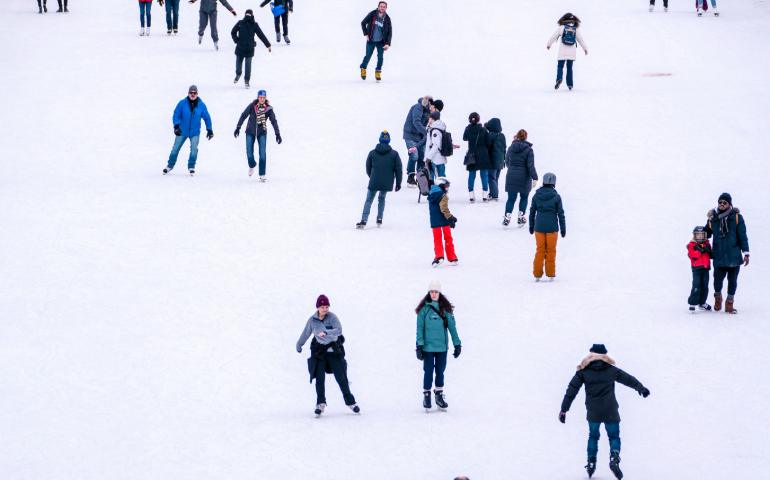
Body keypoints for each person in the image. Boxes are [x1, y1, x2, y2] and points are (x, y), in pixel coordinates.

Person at [559, 344, 650, 480]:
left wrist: (564, 409)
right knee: (614, 437)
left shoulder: (583, 372)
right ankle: (614, 457)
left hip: (593, 412)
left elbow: (571, 390)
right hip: (610, 410)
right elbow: (628, 379)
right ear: (605, 356)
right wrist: (641, 388)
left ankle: (591, 462)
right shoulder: (611, 370)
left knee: (593, 436)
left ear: (591, 355)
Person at [296, 295, 360, 416]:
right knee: (319, 379)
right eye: (322, 307)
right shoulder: (312, 321)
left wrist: (326, 332)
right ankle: (320, 404)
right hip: (319, 353)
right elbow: (306, 333)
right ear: (318, 307)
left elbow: (339, 330)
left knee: (341, 378)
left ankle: (351, 403)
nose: (325, 309)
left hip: (333, 352)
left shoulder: (332, 317)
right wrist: (299, 344)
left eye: (327, 306)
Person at [415, 280, 461, 410]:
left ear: (439, 293)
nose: (434, 294)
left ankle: (439, 394)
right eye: (431, 292)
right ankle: (427, 395)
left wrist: (457, 344)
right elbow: (420, 329)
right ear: (428, 293)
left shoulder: (445, 309)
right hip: (428, 348)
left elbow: (452, 328)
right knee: (428, 372)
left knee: (440, 372)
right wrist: (419, 346)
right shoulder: (423, 310)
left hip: (442, 348)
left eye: (436, 292)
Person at [705, 193, 749, 313]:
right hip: (719, 255)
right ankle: (718, 298)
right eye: (720, 202)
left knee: (733, 281)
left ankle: (729, 302)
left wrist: (746, 253)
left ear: (729, 204)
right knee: (717, 281)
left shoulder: (737, 217)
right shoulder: (713, 218)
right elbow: (706, 234)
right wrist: (697, 237)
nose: (722, 204)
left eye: (725, 202)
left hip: (734, 256)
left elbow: (742, 236)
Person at [356, 130, 403, 229]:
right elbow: (398, 169)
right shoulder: (394, 154)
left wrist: (372, 176)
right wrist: (398, 183)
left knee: (369, 200)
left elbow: (368, 168)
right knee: (381, 199)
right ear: (389, 140)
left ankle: (364, 220)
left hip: (374, 181)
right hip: (387, 182)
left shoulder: (372, 153)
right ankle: (379, 219)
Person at [164, 85, 213, 176]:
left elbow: (207, 117)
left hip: (194, 132)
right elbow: (176, 114)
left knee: (194, 149)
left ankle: (191, 166)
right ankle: (169, 165)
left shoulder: (201, 105)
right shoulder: (182, 103)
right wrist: (176, 126)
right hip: (182, 131)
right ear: (188, 93)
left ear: (197, 94)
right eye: (191, 93)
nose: (193, 94)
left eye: (194, 93)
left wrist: (209, 129)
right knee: (175, 148)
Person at [234, 90, 281, 181]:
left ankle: (262, 174)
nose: (262, 99)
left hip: (262, 132)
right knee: (249, 153)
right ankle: (252, 165)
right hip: (250, 131)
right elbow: (243, 115)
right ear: (258, 97)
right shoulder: (252, 106)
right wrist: (238, 127)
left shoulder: (268, 109)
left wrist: (277, 134)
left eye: (263, 98)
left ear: (265, 98)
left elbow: (274, 121)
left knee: (262, 154)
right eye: (260, 97)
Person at [529, 172, 565, 281]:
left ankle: (537, 274)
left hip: (539, 228)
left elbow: (532, 212)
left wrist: (531, 226)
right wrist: (563, 229)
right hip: (552, 228)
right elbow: (561, 214)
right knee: (551, 250)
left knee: (540, 250)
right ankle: (550, 274)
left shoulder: (536, 195)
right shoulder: (556, 196)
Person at [503, 129, 538, 227]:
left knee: (511, 199)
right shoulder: (529, 150)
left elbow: (507, 162)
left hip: (511, 176)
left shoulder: (511, 148)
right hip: (524, 178)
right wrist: (535, 177)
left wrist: (513, 169)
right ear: (526, 137)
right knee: (524, 197)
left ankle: (507, 217)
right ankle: (520, 217)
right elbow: (530, 166)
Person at [230, 9, 271, 89]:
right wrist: (237, 40)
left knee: (248, 66)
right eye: (247, 15)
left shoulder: (254, 25)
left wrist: (268, 45)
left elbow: (261, 35)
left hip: (249, 49)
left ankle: (246, 81)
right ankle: (238, 74)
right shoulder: (240, 23)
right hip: (240, 48)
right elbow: (233, 32)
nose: (248, 17)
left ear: (252, 16)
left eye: (249, 15)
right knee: (238, 66)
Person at [547, 13, 588, 90]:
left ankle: (559, 78)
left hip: (562, 52)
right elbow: (581, 40)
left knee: (560, 66)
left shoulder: (561, 28)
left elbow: (553, 36)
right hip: (571, 52)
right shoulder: (575, 29)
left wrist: (548, 44)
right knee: (569, 68)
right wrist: (585, 49)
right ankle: (570, 84)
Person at [463, 112, 493, 203]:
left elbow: (464, 138)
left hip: (472, 154)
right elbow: (488, 143)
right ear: (478, 119)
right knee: (484, 175)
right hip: (483, 155)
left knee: (471, 175)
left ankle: (471, 196)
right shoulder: (483, 130)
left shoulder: (467, 129)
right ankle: (484, 196)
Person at [428, 178, 458, 267]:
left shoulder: (432, 193)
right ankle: (452, 258)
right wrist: (450, 218)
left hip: (434, 221)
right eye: (446, 186)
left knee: (437, 239)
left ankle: (439, 256)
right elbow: (444, 208)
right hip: (444, 221)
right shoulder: (442, 195)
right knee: (448, 238)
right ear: (441, 186)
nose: (447, 188)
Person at [403, 96, 432, 187]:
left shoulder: (429, 112)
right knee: (414, 156)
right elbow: (416, 122)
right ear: (427, 102)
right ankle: (410, 177)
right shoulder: (418, 107)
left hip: (420, 137)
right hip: (410, 135)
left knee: (421, 156)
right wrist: (426, 132)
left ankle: (420, 177)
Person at [359, 2, 392, 82]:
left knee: (380, 58)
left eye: (384, 7)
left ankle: (378, 71)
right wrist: (366, 34)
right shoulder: (372, 14)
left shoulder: (387, 18)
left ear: (386, 8)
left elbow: (390, 32)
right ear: (378, 7)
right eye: (381, 6)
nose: (382, 8)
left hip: (381, 42)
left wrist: (387, 43)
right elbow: (363, 23)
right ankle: (363, 68)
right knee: (368, 56)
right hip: (371, 40)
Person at [687, 226, 712, 313]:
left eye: (702, 235)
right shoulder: (691, 245)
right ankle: (692, 303)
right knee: (696, 285)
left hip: (705, 268)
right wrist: (700, 251)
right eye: (698, 235)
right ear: (694, 236)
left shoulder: (707, 244)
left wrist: (709, 251)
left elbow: (711, 255)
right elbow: (692, 256)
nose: (700, 237)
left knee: (705, 286)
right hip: (697, 269)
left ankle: (702, 303)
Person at [425, 111, 449, 179]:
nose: (428, 120)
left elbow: (435, 145)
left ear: (433, 119)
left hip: (434, 158)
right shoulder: (440, 128)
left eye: (429, 118)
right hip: (440, 157)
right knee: (441, 176)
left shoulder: (435, 131)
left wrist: (428, 157)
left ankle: (435, 188)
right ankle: (443, 188)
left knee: (433, 177)